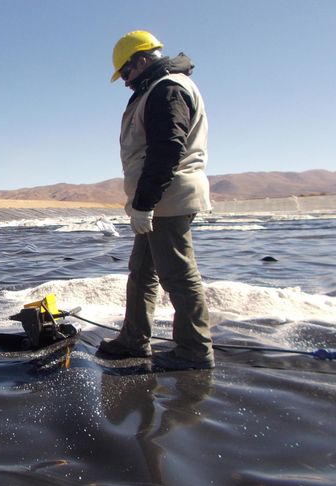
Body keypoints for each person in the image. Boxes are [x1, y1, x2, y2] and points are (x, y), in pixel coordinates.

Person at [97, 30, 214, 371]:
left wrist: (146, 203)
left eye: (127, 73)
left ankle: (194, 350)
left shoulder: (167, 89)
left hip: (168, 198)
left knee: (177, 274)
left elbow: (167, 150)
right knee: (142, 271)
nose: (125, 82)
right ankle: (133, 339)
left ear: (143, 61)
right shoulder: (155, 88)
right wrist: (142, 204)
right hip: (155, 199)